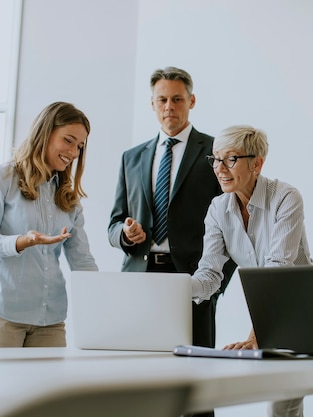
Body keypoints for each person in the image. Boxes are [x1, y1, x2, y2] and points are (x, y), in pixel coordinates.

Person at [107, 66, 235, 417]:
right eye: (162, 99)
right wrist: (124, 234)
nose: (169, 106)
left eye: (177, 99)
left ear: (191, 101)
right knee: (140, 382)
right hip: (140, 281)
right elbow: (113, 222)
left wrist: (215, 286)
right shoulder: (131, 158)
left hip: (193, 282)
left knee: (197, 386)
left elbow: (235, 225)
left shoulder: (215, 152)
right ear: (152, 103)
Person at [190, 125, 313, 417]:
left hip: (303, 310)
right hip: (268, 314)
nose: (220, 168)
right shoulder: (218, 208)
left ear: (257, 163)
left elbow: (277, 271)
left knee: (283, 405)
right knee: (282, 406)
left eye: (230, 159)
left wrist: (257, 335)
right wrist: (176, 291)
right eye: (216, 160)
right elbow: (209, 275)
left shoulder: (285, 197)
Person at [0, 101, 98, 347]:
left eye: (79, 146)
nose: (73, 152)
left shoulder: (68, 196)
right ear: (45, 133)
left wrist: (103, 295)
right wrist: (23, 241)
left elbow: (82, 259)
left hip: (50, 321)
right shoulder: (1, 177)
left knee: (50, 387)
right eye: (68, 140)